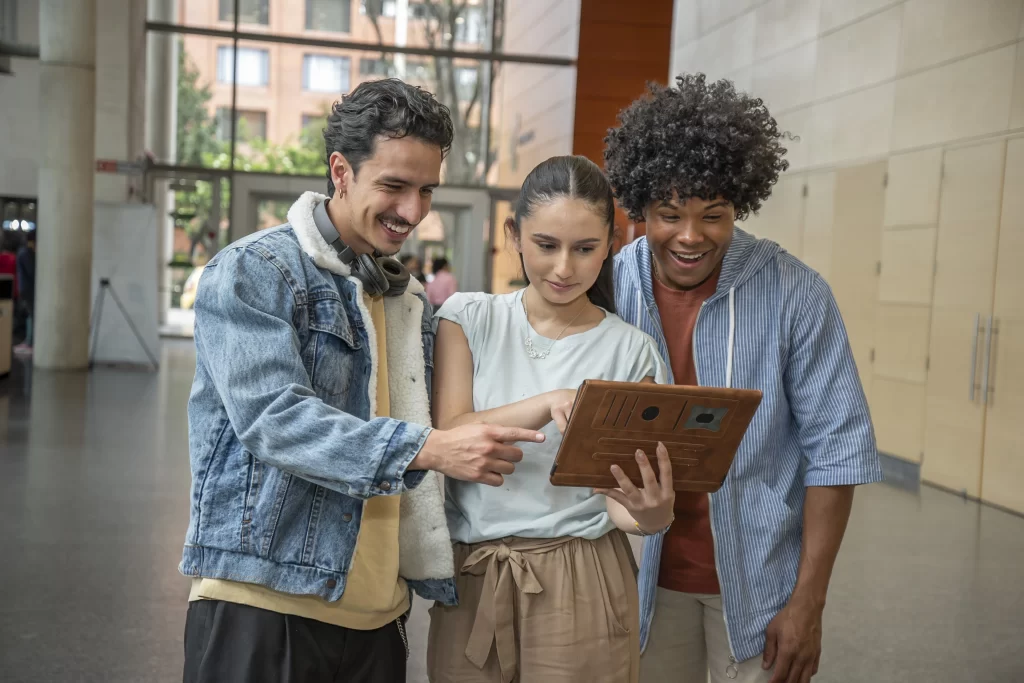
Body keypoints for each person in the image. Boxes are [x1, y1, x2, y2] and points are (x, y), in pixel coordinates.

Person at [180, 79, 546, 683]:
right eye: (394, 186)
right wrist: (428, 449)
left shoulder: (408, 299)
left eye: (427, 190)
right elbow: (275, 419)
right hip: (265, 602)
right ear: (341, 172)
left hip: (379, 614)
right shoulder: (254, 271)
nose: (413, 211)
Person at [605, 73, 882, 683]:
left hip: (760, 585)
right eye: (669, 214)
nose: (690, 236)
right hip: (633, 577)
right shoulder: (607, 286)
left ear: (741, 205)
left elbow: (835, 452)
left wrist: (809, 602)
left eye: (714, 215)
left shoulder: (796, 294)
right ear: (640, 208)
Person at [427, 155, 677, 683]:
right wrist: (551, 400)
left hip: (582, 575)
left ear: (610, 243)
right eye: (546, 246)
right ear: (514, 234)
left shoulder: (632, 353)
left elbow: (622, 501)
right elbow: (449, 434)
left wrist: (653, 514)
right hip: (475, 573)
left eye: (585, 249)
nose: (564, 268)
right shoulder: (469, 318)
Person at [13, 231, 34, 353]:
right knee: (30, 314)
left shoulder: (24, 253)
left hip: (24, 288)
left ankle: (29, 341)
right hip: (27, 289)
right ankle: (29, 341)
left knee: (29, 314)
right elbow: (31, 271)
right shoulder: (26, 254)